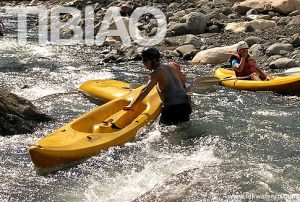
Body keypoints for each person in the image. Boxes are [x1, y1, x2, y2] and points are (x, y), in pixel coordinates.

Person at [123, 47, 192, 125]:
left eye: (145, 60)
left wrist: (131, 105)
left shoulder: (155, 74)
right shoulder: (172, 67)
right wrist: (189, 100)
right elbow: (187, 84)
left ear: (154, 60)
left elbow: (145, 91)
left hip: (172, 109)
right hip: (186, 107)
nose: (143, 63)